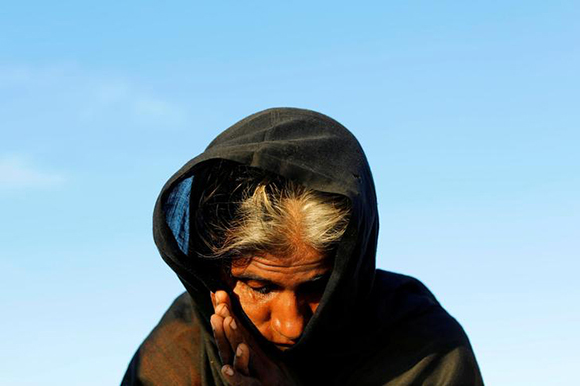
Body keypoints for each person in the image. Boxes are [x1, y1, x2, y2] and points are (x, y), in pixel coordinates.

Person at [121, 108, 483, 385]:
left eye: (317, 286)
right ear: (215, 273)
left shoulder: (422, 347)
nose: (291, 324)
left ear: (349, 268)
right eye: (261, 287)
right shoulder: (176, 353)